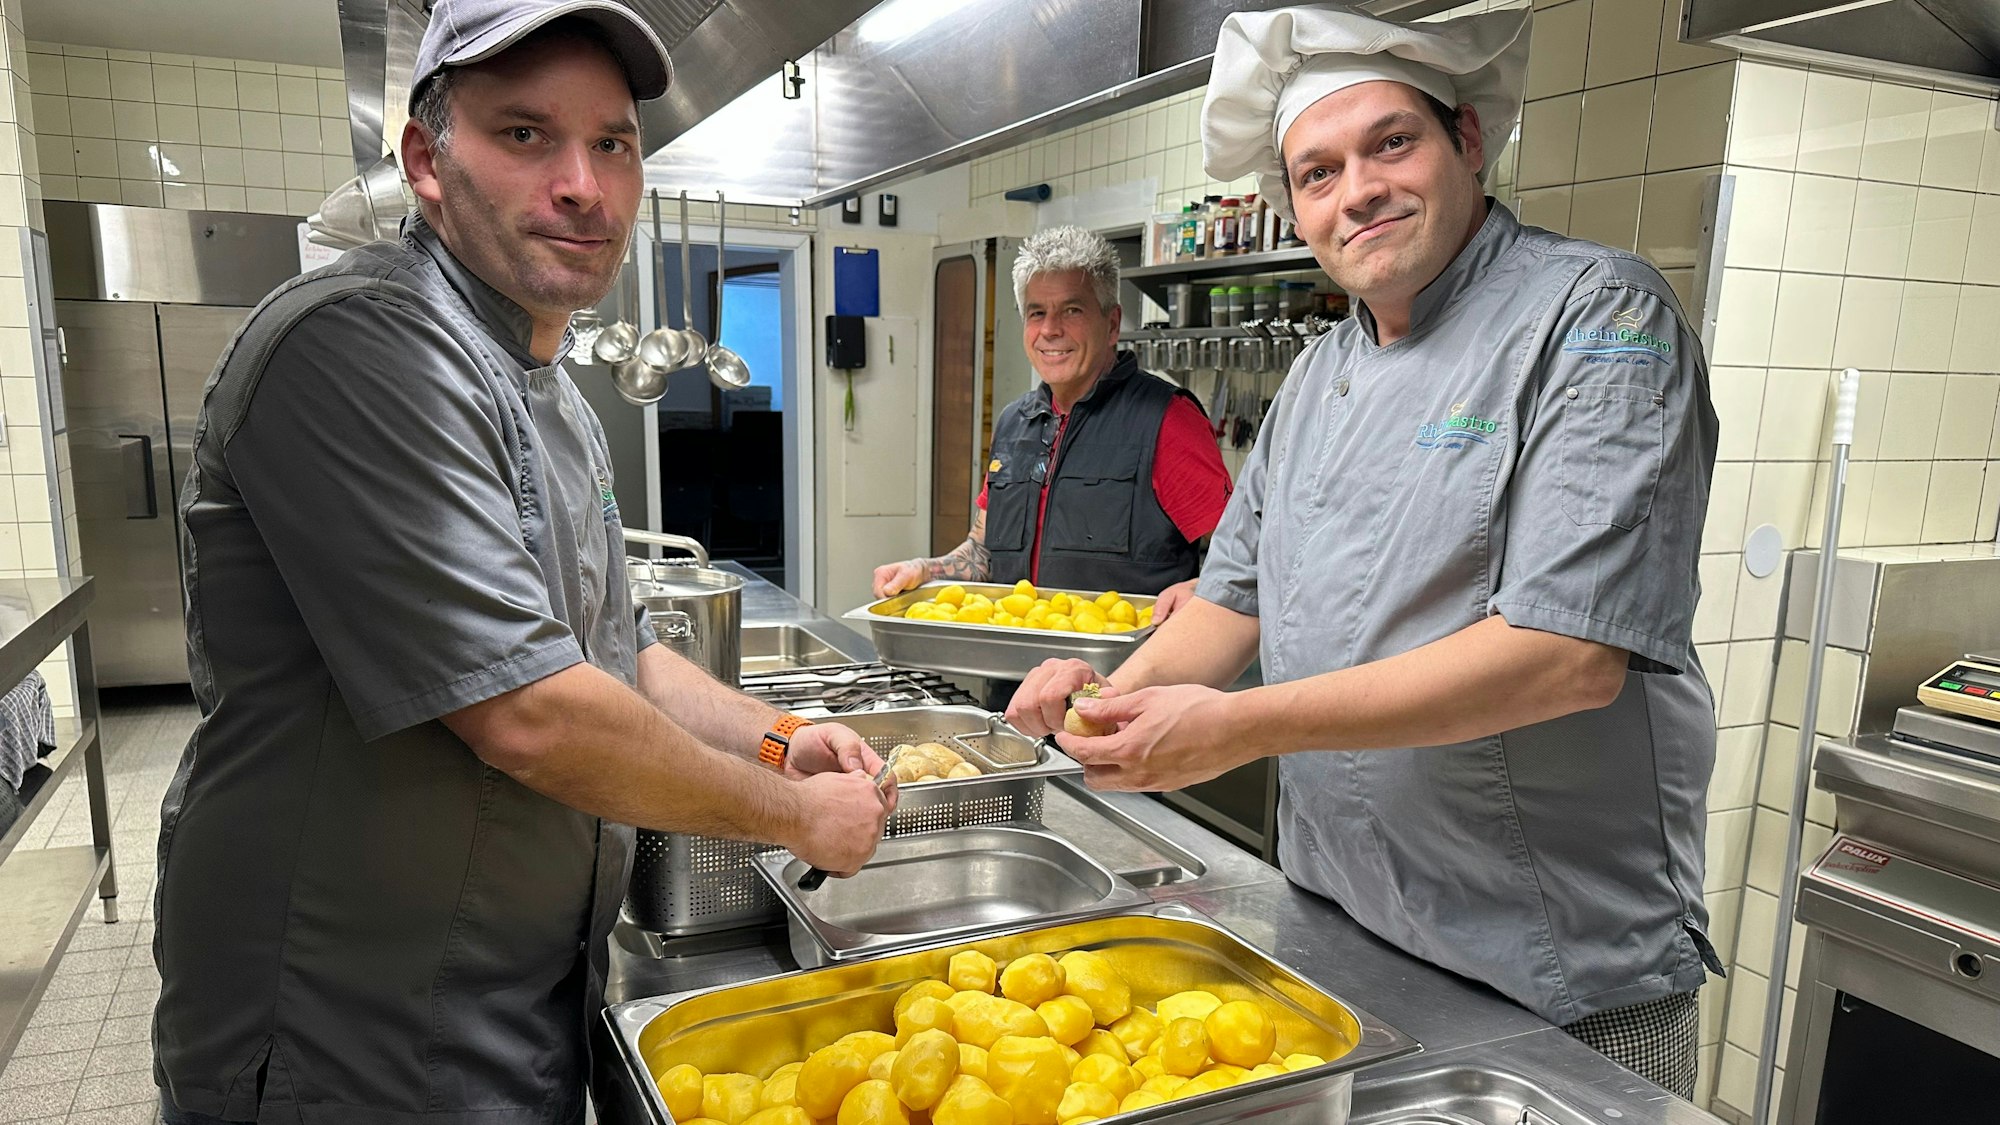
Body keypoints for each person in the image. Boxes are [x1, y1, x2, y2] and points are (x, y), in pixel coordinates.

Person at [154, 3, 891, 1123]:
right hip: (347, 1028)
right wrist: (791, 818)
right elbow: (529, 711)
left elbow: (619, 652)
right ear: (426, 161)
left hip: (514, 1000)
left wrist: (781, 741)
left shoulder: (548, 390)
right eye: (524, 134)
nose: (584, 186)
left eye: (612, 143)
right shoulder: (357, 346)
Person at [1008, 3, 1721, 1099]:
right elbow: (1231, 601)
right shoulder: (1316, 378)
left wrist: (1239, 724)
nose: (1358, 192)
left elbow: (1566, 656)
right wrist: (1105, 705)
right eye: (1318, 172)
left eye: (1391, 143)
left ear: (1465, 140)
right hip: (1342, 931)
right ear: (1294, 204)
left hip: (1553, 977)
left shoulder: (1600, 320)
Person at [871, 226, 1230, 614]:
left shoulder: (1166, 420)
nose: (1050, 330)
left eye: (1072, 310)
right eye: (1036, 312)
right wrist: (924, 570)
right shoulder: (1015, 423)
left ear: (1112, 324)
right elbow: (983, 552)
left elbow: (1243, 556)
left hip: (1133, 654)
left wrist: (1200, 588)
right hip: (1017, 652)